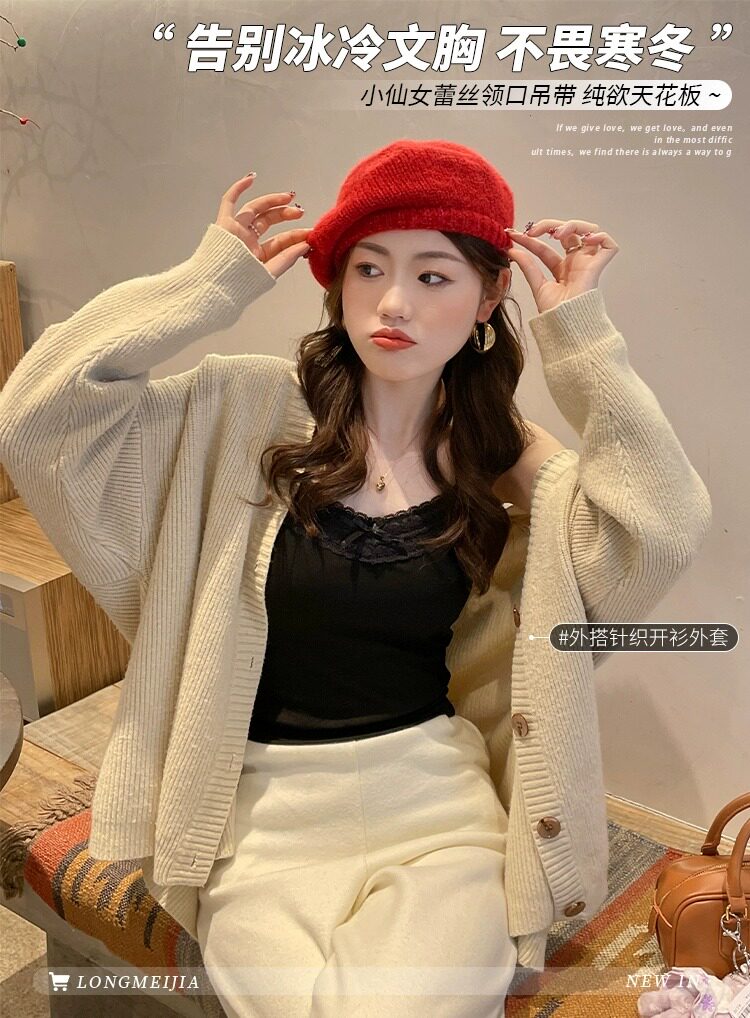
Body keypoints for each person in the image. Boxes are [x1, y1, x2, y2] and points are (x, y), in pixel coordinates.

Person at [0, 140, 712, 1018]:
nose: (394, 301)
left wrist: (583, 340)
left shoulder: (501, 464)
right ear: (337, 287)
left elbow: (661, 533)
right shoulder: (245, 413)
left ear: (491, 296)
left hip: (434, 803)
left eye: (433, 275)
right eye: (368, 268)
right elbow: (38, 420)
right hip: (259, 810)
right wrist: (206, 285)